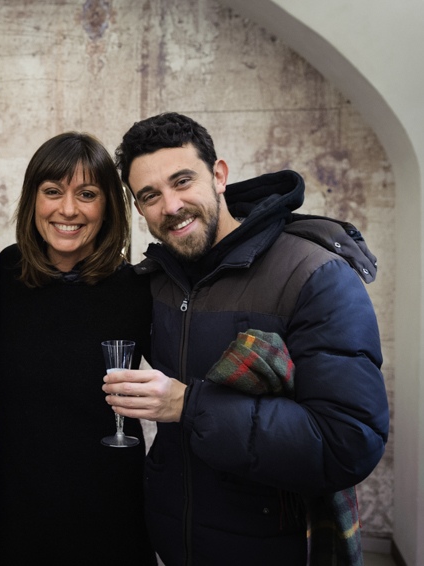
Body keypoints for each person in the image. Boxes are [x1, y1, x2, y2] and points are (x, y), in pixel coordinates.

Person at [104, 112, 390, 564]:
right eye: (150, 195)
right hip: (174, 543)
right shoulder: (157, 281)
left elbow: (348, 442)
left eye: (183, 181)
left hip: (276, 549)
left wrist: (187, 405)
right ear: (139, 209)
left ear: (219, 175)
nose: (171, 206)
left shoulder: (314, 274)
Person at [0, 132, 157, 565]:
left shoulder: (137, 289)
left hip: (110, 509)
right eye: (52, 191)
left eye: (87, 194)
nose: (68, 209)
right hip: (16, 508)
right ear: (32, 199)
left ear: (109, 205)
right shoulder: (2, 275)